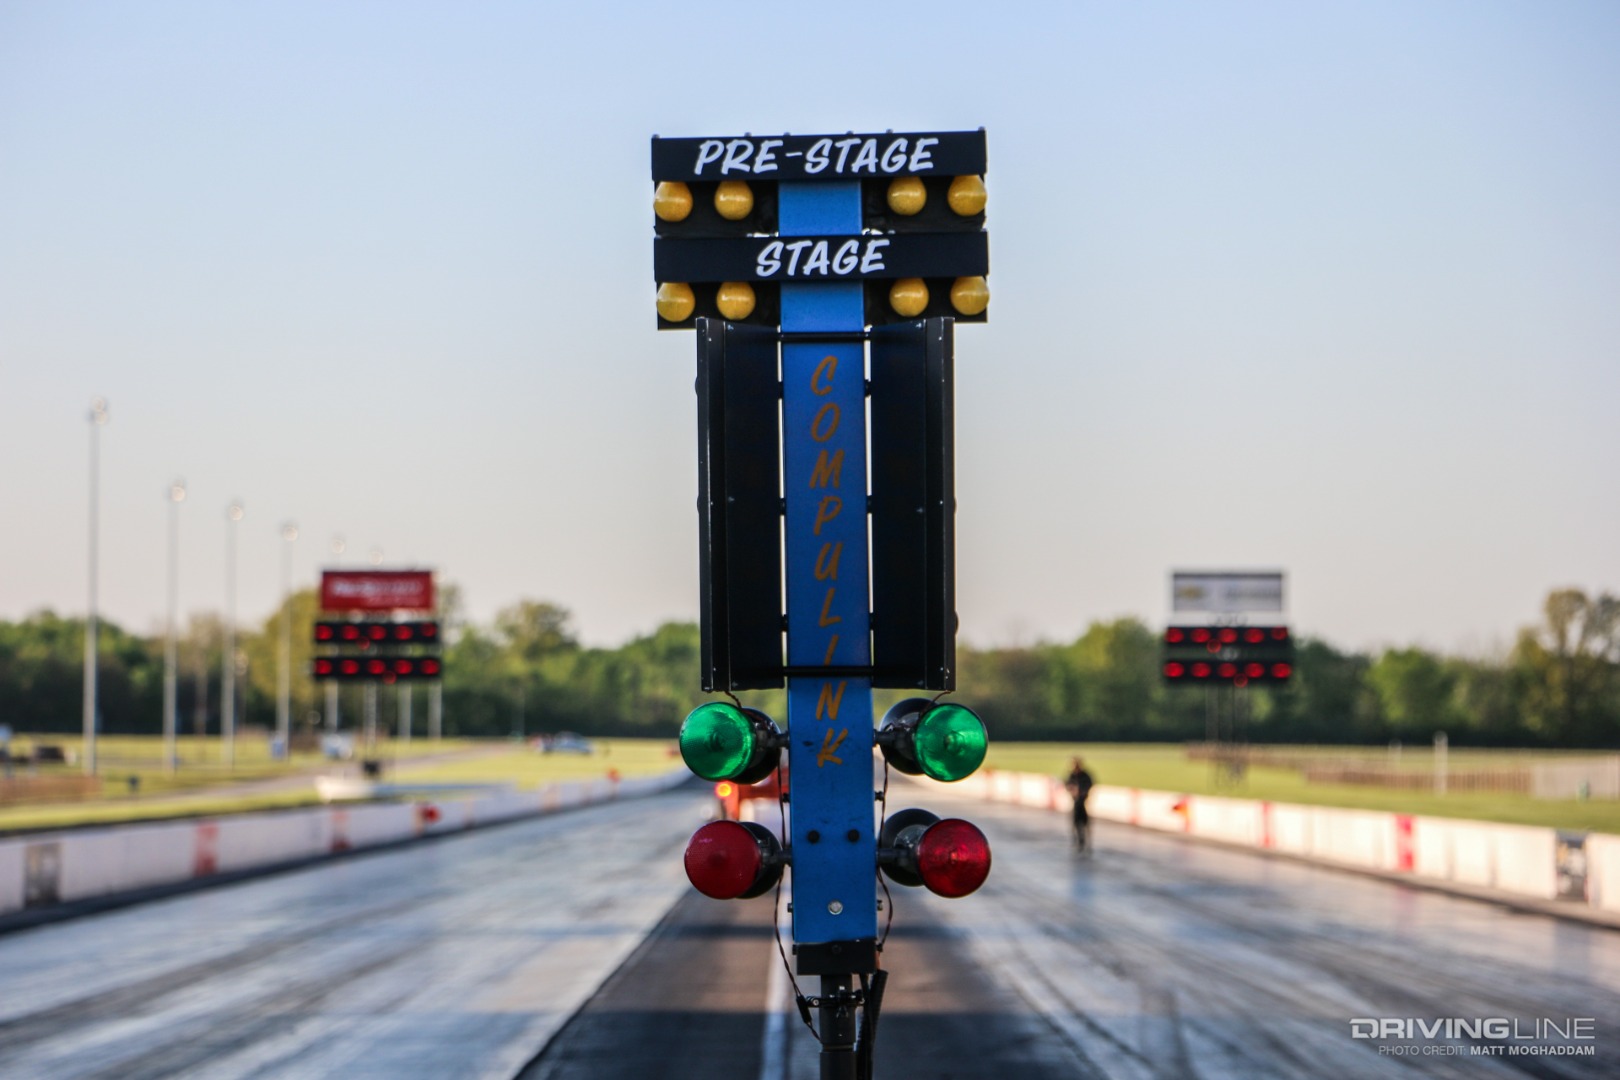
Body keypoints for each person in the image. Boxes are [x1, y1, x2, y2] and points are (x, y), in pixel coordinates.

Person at [1064, 757, 1094, 853]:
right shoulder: (1072, 775)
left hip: (1082, 802)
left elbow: (1090, 784)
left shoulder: (1084, 775)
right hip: (1076, 803)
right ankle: (1078, 841)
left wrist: (1082, 792)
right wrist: (1072, 790)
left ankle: (1085, 842)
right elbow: (1067, 785)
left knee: (1085, 823)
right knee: (1076, 823)